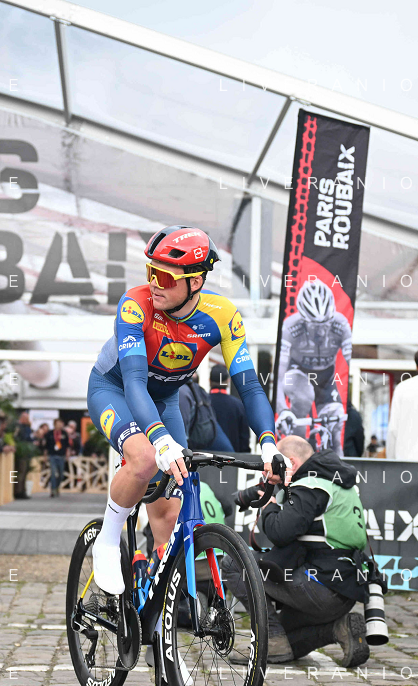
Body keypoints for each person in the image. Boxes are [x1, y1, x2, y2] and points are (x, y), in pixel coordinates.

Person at [86, 225, 280, 595]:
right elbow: (135, 382)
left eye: (163, 276)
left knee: (171, 511)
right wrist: (160, 440)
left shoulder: (222, 315)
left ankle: (159, 610)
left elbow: (249, 386)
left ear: (196, 282)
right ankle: (108, 540)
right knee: (145, 459)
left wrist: (269, 443)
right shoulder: (135, 304)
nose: (153, 283)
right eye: (150, 271)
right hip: (115, 390)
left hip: (164, 401)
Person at [226, 436, 371, 667]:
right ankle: (338, 629)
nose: (270, 471)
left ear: (291, 462)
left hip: (321, 586)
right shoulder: (335, 481)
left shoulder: (310, 485)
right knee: (286, 633)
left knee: (233, 563)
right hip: (344, 590)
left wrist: (268, 505)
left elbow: (280, 532)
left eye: (276, 464)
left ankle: (271, 638)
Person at [274, 278, 352, 452]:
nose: (321, 331)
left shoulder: (340, 324)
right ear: (303, 319)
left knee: (335, 428)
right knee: (304, 397)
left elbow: (351, 361)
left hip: (326, 378)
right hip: (297, 373)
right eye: (314, 326)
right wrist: (283, 410)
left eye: (326, 324)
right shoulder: (290, 327)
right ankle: (298, 449)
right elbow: (278, 377)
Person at [209, 363, 249, 452]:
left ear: (209, 381)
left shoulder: (202, 403)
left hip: (205, 456)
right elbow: (244, 439)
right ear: (228, 381)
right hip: (232, 457)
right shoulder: (239, 405)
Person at [45, 418, 69, 497]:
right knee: (53, 473)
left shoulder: (64, 433)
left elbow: (67, 445)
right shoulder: (50, 434)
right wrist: (45, 456)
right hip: (52, 456)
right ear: (55, 424)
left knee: (61, 475)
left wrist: (67, 454)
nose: (60, 425)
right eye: (58, 423)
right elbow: (46, 446)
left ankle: (57, 487)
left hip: (61, 456)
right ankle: (53, 489)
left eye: (61, 423)